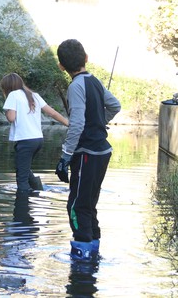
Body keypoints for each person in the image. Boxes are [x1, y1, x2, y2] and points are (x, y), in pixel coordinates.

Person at [54, 39, 121, 263]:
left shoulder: (75, 86)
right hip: (102, 151)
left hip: (86, 153)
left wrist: (64, 157)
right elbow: (115, 106)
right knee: (88, 204)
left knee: (76, 205)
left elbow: (76, 125)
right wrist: (100, 123)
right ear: (86, 58)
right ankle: (92, 255)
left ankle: (82, 262)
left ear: (61, 66)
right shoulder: (95, 81)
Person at [0, 73, 68, 194]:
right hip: (38, 140)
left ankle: (23, 205)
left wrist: (6, 111)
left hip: (25, 140)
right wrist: (69, 124)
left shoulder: (12, 95)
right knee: (23, 168)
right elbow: (52, 113)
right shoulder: (33, 95)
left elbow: (11, 118)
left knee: (21, 178)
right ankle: (37, 189)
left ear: (7, 87)